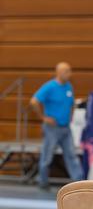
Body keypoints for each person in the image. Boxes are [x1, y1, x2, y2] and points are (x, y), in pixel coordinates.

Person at [30, 62, 84, 190]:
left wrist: (70, 117)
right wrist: (43, 118)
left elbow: (71, 104)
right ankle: (43, 181)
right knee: (47, 156)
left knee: (71, 155)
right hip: (52, 128)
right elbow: (33, 102)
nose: (69, 74)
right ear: (58, 72)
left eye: (70, 71)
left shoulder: (69, 87)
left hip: (65, 127)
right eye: (66, 71)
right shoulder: (49, 87)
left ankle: (79, 182)